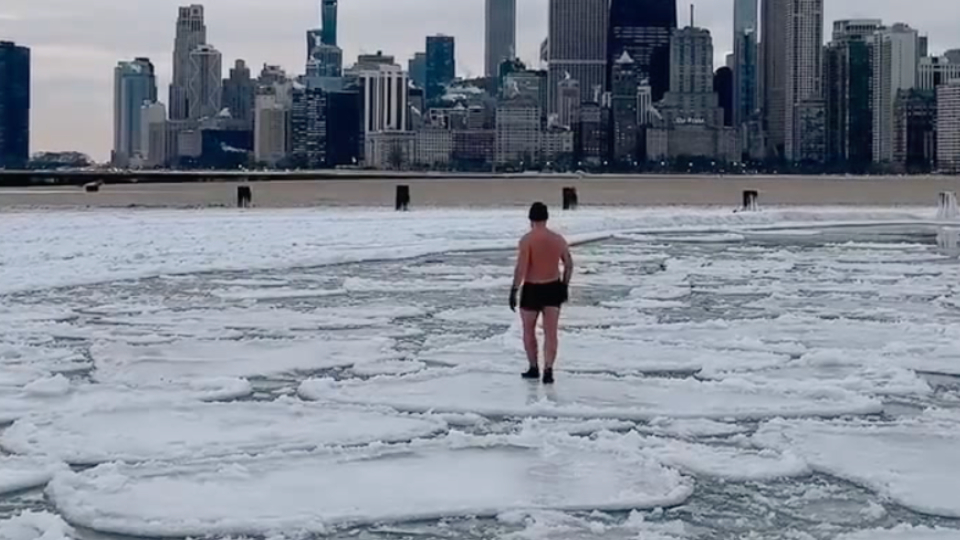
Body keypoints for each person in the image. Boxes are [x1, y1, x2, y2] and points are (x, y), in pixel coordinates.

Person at [509, 202, 573, 384]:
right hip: (553, 287)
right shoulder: (558, 239)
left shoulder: (527, 240)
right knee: (550, 332)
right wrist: (564, 285)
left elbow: (521, 267)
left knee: (529, 331)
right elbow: (568, 264)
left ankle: (533, 367)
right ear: (546, 218)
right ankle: (548, 370)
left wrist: (514, 289)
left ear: (530, 219)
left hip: (532, 288)